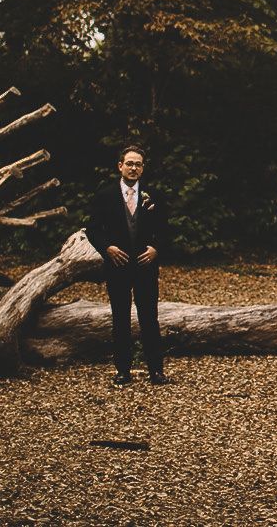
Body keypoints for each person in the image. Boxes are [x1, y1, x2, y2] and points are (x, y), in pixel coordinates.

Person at [86, 145, 169, 386]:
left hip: (146, 265)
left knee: (149, 317)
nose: (134, 168)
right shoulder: (105, 195)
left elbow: (165, 229)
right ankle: (123, 370)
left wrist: (156, 249)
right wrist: (107, 248)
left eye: (138, 164)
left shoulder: (153, 195)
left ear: (143, 168)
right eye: (129, 163)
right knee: (120, 318)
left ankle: (156, 370)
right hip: (117, 266)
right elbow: (92, 229)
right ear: (120, 166)